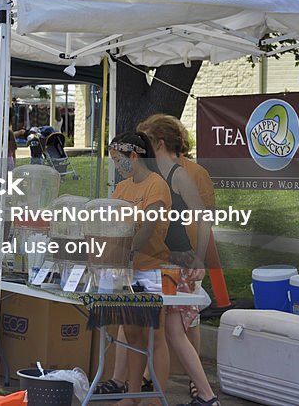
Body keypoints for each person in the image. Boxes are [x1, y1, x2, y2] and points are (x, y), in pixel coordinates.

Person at [138, 114, 220, 406]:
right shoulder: (158, 174)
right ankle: (205, 394)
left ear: (160, 143)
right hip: (165, 260)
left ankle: (205, 393)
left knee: (174, 330)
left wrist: (199, 257)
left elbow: (203, 218)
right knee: (172, 330)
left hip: (178, 262)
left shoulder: (178, 175)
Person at [106, 131, 172, 406]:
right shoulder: (121, 189)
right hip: (126, 271)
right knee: (131, 332)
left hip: (151, 269)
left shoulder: (156, 185)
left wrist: (128, 250)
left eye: (119, 159)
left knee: (154, 335)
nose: (117, 166)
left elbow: (149, 227)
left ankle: (156, 397)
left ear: (134, 155)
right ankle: (132, 396)